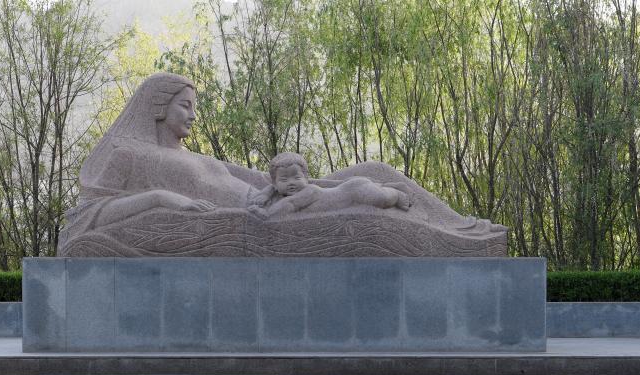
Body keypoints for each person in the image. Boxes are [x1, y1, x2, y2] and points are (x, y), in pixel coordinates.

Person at [59, 72, 507, 256]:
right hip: (272, 212)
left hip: (279, 193)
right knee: (367, 192)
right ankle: (462, 240)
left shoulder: (191, 155)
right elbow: (86, 219)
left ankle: (462, 228)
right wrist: (159, 197)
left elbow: (258, 178)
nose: (193, 116)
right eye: (186, 107)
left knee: (377, 169)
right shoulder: (129, 155)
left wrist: (304, 181)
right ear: (159, 107)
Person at [248, 152, 412, 220]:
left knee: (381, 198)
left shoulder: (309, 191)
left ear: (306, 178)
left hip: (355, 191)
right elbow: (273, 188)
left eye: (296, 177)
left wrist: (266, 214)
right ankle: (386, 186)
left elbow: (289, 205)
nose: (291, 183)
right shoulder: (277, 191)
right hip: (351, 188)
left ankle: (396, 192)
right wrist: (265, 194)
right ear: (275, 184)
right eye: (284, 180)